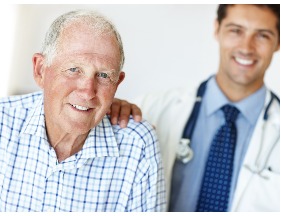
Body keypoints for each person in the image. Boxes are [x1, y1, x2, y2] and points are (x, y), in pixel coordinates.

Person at [0, 10, 164, 211]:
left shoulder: (137, 144)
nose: (88, 92)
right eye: (73, 70)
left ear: (117, 83)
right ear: (40, 70)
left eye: (103, 75)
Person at [110, 4, 280, 212]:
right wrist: (109, 114)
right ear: (217, 29)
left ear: (278, 42)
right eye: (236, 31)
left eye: (262, 35)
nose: (246, 47)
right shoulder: (150, 108)